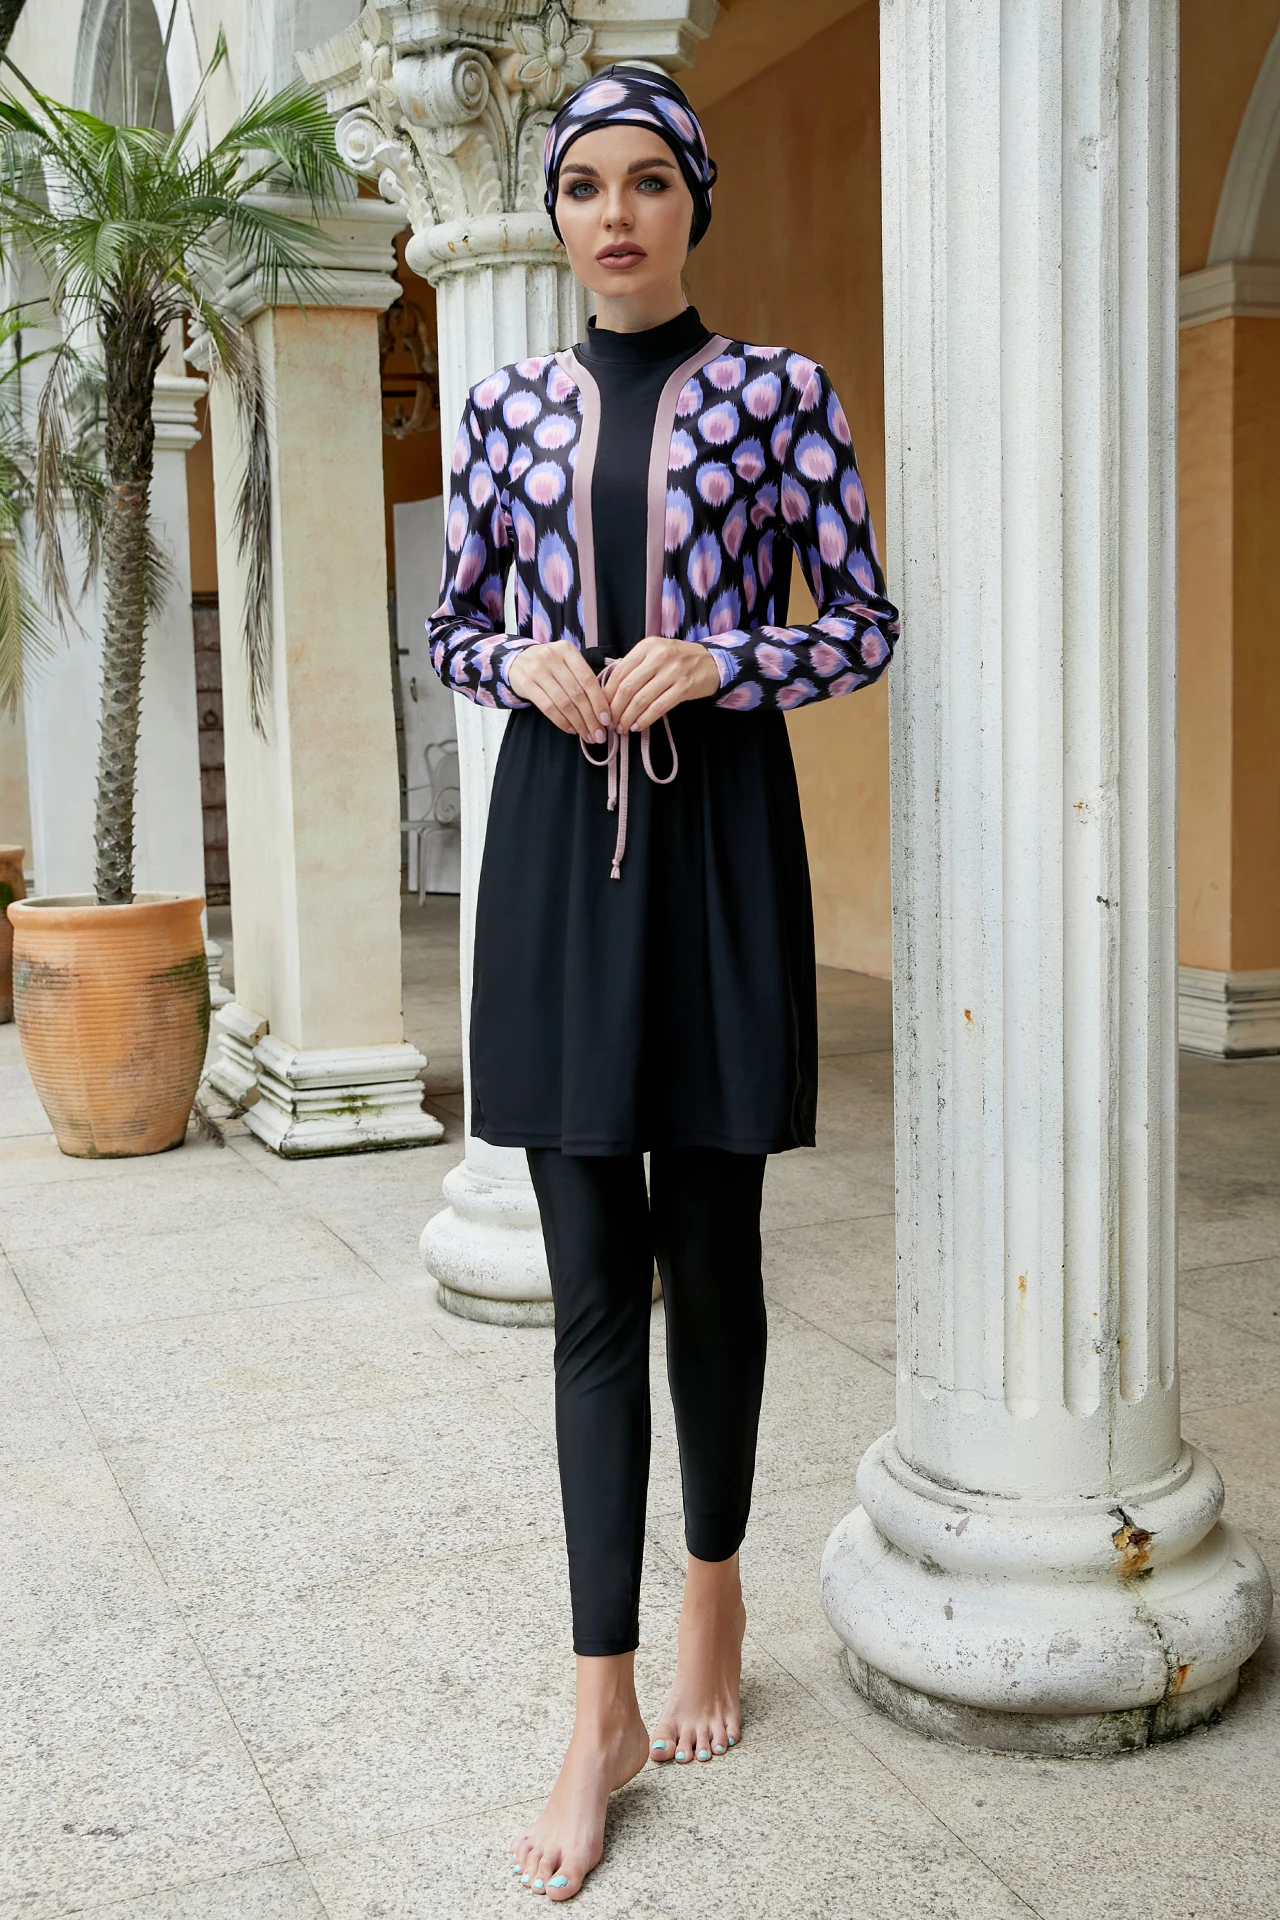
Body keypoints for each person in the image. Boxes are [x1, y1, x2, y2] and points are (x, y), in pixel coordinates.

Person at [429, 64, 899, 1902]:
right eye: (581, 188)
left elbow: (860, 620)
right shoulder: (505, 408)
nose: (612, 216)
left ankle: (714, 1596)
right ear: (552, 216)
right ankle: (597, 1699)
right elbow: (457, 617)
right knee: (588, 1289)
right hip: (557, 847)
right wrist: (525, 662)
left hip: (712, 855)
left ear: (693, 200)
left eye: (645, 183)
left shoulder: (779, 395)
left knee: (713, 1249)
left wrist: (715, 654)